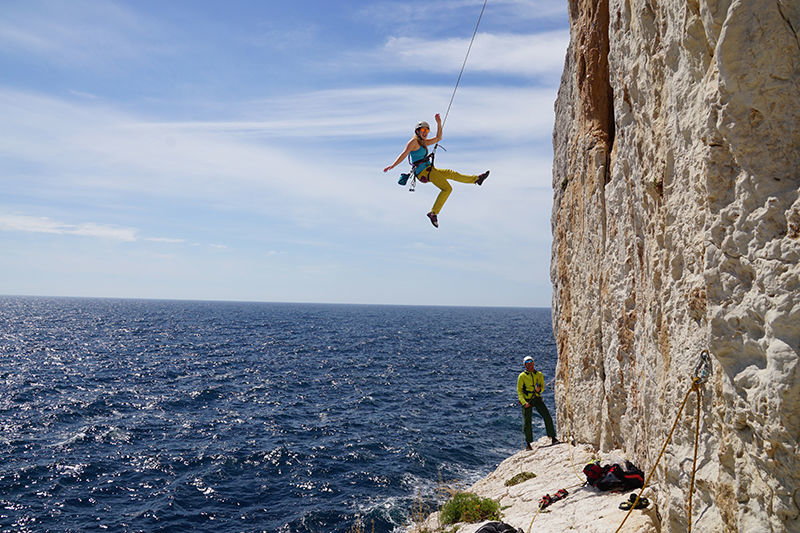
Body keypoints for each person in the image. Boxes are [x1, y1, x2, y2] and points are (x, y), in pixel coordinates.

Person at [383, 113, 490, 228]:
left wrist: (438, 123)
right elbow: (404, 154)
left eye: (427, 131)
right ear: (417, 131)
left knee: (450, 173)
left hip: (429, 170)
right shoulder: (413, 142)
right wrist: (393, 165)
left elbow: (439, 138)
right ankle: (433, 213)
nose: (425, 132)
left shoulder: (423, 142)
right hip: (423, 173)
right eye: (423, 130)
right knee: (447, 188)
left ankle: (476, 180)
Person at [517, 355, 558, 450]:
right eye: (527, 364)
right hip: (527, 400)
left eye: (531, 363)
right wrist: (524, 402)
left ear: (533, 363)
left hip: (537, 398)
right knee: (527, 422)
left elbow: (542, 387)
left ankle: (553, 437)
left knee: (547, 416)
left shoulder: (539, 374)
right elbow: (519, 391)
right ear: (525, 365)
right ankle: (528, 444)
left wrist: (539, 390)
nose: (529, 365)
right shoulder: (522, 376)